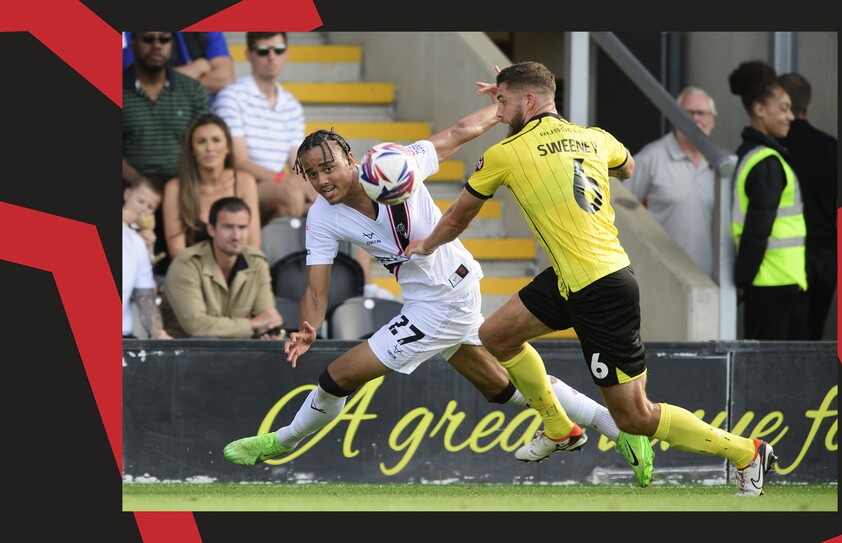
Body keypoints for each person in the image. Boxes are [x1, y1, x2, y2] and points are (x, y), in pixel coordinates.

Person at [221, 86, 656, 487]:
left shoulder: (395, 163)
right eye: (311, 174)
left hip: (445, 296)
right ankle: (617, 427)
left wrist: (500, 108)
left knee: (337, 378)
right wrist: (309, 327)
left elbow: (456, 133)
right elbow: (317, 288)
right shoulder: (321, 215)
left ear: (350, 159)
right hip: (425, 298)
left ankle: (282, 441)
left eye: (328, 167)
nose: (321, 180)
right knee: (501, 388)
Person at [405, 61, 775, 496]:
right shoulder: (595, 137)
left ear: (528, 100)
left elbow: (457, 216)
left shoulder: (507, 153)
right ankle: (558, 426)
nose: (498, 113)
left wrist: (425, 246)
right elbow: (628, 167)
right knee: (497, 335)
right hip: (574, 276)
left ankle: (746, 452)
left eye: (502, 102)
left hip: (600, 289)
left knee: (635, 416)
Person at [728, 60, 808, 340]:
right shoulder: (766, 162)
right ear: (759, 110)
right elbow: (757, 229)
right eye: (783, 108)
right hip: (773, 282)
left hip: (773, 282)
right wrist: (742, 279)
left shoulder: (749, 154)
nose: (790, 117)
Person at [122, 31, 209, 274]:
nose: (157, 45)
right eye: (148, 39)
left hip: (183, 189)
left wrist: (176, 188)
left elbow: (202, 144)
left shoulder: (192, 90)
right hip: (129, 189)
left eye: (164, 39)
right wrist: (142, 185)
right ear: (133, 43)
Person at [211, 32, 316, 224]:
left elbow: (296, 163)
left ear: (286, 53)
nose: (271, 57)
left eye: (278, 50)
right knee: (291, 195)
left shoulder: (292, 105)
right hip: (237, 184)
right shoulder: (231, 97)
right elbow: (239, 162)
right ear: (248, 54)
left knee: (332, 200)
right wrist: (286, 180)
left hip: (276, 183)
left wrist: (312, 189)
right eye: (262, 51)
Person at [623, 86, 719, 278]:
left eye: (701, 113)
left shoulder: (719, 164)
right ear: (674, 117)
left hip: (708, 279)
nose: (695, 119)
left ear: (712, 120)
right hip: (662, 277)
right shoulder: (651, 158)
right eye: (688, 113)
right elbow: (621, 213)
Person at [160, 197, 283, 339]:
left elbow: (267, 316)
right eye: (228, 227)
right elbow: (197, 326)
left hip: (237, 348)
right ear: (211, 229)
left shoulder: (257, 262)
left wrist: (269, 332)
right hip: (186, 348)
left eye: (242, 227)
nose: (236, 236)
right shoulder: (187, 264)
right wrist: (252, 324)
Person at [775, 73, 838, 341]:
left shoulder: (773, 147)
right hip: (825, 257)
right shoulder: (831, 147)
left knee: (783, 341)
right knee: (813, 340)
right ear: (808, 108)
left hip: (784, 258)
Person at [162, 113, 261, 262]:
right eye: (201, 142)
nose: (209, 148)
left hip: (238, 269)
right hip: (191, 270)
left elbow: (252, 244)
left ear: (228, 147)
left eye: (216, 140)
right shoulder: (175, 188)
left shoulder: (245, 182)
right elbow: (177, 252)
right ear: (192, 150)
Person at [122, 176, 172, 340]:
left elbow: (145, 295)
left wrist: (157, 331)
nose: (143, 208)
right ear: (127, 194)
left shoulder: (137, 242)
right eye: (140, 201)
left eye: (150, 207)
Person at [122, 31, 236, 97]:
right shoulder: (132, 34)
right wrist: (197, 68)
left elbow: (225, 79)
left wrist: (164, 85)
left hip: (202, 116)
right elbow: (136, 79)